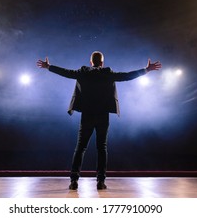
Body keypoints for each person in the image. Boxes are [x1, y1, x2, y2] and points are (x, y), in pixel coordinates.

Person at [36, 51, 161, 190]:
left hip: (87, 115)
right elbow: (126, 76)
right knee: (101, 148)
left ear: (91, 62)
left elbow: (66, 73)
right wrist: (146, 70)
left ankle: (74, 181)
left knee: (80, 148)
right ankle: (100, 182)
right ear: (102, 63)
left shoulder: (83, 72)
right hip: (102, 116)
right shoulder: (107, 73)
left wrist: (49, 67)